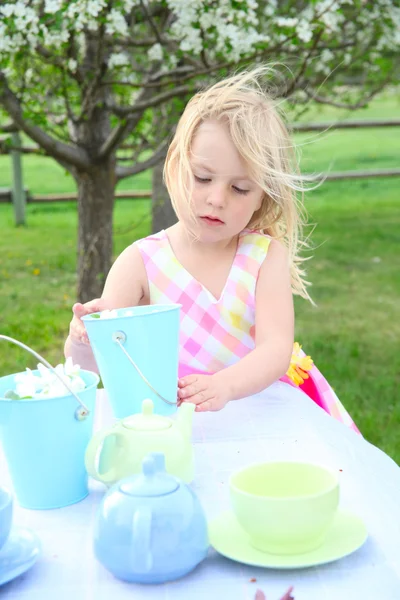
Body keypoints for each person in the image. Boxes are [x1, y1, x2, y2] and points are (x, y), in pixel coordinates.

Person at [65, 67, 358, 431]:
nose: (216, 199)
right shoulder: (141, 263)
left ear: (262, 196)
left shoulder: (264, 256)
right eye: (202, 178)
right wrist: (84, 338)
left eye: (240, 188)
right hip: (178, 421)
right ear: (175, 167)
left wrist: (225, 385)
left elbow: (275, 348)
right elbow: (90, 370)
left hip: (262, 408)